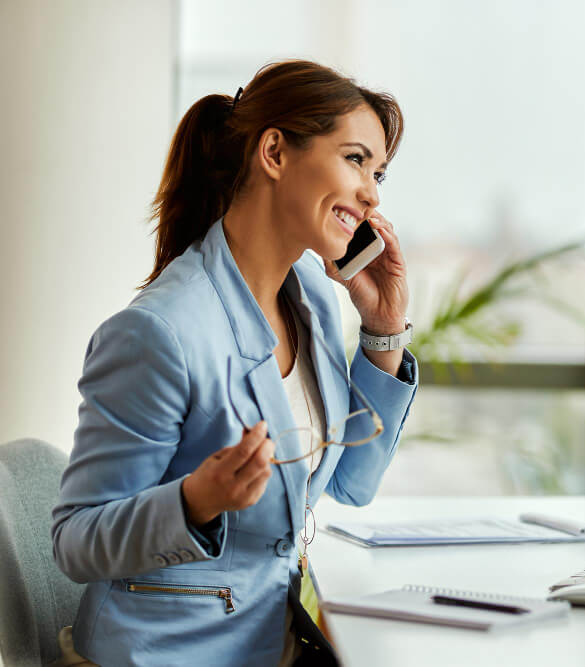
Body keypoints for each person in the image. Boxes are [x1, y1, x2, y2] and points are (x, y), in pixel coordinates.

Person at [51, 60, 417, 666]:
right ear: (274, 152)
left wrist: (383, 328)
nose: (372, 193)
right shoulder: (159, 334)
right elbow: (76, 540)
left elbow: (351, 484)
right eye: (355, 159)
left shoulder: (314, 301)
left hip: (269, 643)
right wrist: (194, 501)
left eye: (378, 173)